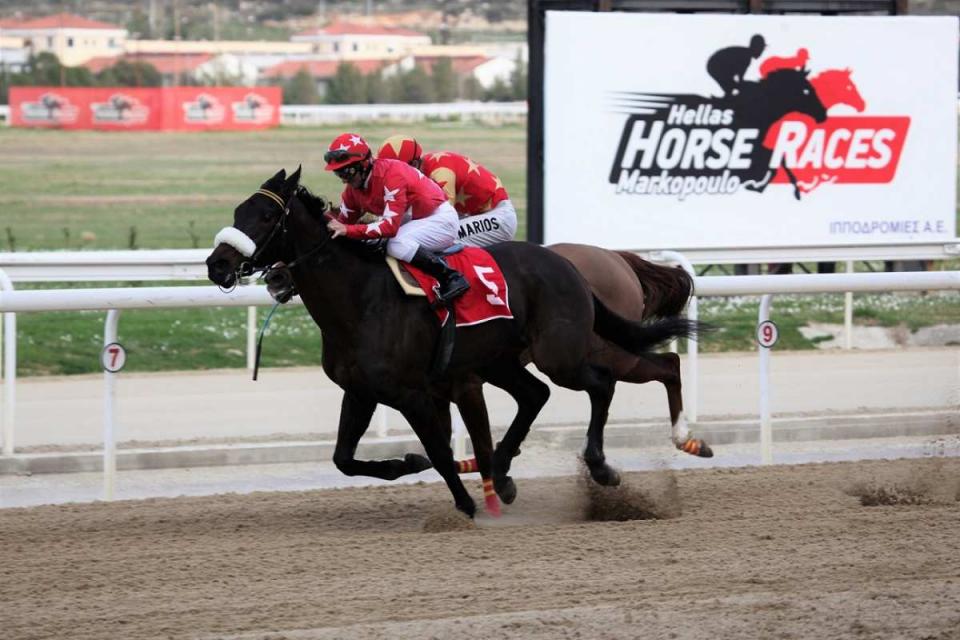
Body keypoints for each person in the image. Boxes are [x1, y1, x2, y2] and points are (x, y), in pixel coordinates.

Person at [323, 132, 469, 304]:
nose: (344, 180)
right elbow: (341, 224)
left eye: (347, 172)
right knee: (370, 243)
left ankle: (451, 277)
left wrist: (348, 230)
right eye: (339, 174)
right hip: (415, 220)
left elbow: (389, 228)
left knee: (395, 244)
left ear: (364, 163)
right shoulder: (352, 190)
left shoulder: (392, 175)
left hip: (440, 220)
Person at [376, 135, 517, 248]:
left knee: (438, 236)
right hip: (474, 216)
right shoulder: (417, 173)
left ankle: (452, 275)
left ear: (414, 164)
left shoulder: (441, 171)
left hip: (498, 217)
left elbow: (443, 220)